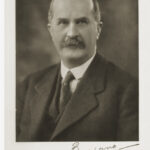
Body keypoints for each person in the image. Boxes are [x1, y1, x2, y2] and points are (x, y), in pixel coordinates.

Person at [16, 0, 138, 141]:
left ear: (98, 29)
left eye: (81, 22)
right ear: (51, 30)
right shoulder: (28, 87)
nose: (72, 33)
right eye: (63, 22)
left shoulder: (128, 91)